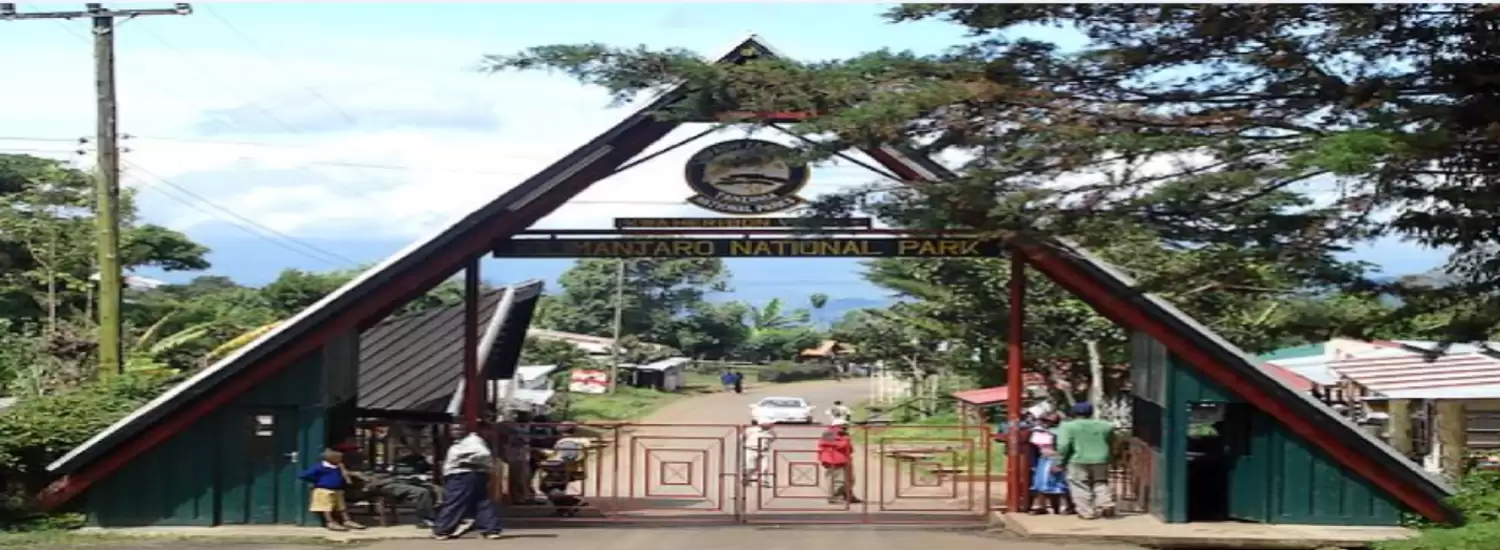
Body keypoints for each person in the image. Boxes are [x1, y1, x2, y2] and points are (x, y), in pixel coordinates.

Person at [433, 423, 503, 540]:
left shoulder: (472, 440)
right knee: (481, 502)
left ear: (466, 430)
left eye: (459, 429)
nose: (456, 432)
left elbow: (483, 453)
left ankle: (443, 529)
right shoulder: (461, 442)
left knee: (455, 501)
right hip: (473, 475)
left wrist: (466, 460)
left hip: (463, 475)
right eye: (453, 429)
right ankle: (491, 529)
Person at [1055, 402, 1116, 520]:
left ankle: (1086, 512)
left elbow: (1063, 445)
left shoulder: (1068, 426)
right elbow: (1111, 441)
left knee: (1079, 485)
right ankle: (1105, 503)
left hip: (1077, 459)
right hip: (1101, 458)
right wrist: (1111, 456)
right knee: (1101, 482)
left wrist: (1059, 461)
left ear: (1073, 413)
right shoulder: (1105, 425)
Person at [298, 449, 365, 531]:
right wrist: (316, 481)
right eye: (339, 458)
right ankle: (330, 522)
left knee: (341, 506)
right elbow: (304, 475)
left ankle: (347, 520)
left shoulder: (339, 467)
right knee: (326, 507)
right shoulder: (320, 467)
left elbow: (345, 475)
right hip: (324, 490)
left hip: (337, 489)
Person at [1028, 413, 1069, 514]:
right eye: (1044, 420)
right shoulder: (1038, 432)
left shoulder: (1060, 432)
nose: (1045, 423)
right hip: (1044, 459)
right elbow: (1034, 447)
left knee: (1060, 483)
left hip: (1056, 459)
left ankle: (1063, 506)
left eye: (1048, 421)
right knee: (1040, 482)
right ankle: (1039, 505)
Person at [817, 420, 859, 504]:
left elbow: (848, 447)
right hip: (834, 459)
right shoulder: (831, 433)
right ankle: (834, 497)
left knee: (849, 479)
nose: (847, 427)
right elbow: (839, 445)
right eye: (845, 425)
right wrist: (845, 441)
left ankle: (848, 495)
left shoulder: (841, 434)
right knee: (838, 480)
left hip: (842, 459)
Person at [743, 419, 776, 487]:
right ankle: (747, 479)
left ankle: (763, 481)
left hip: (763, 450)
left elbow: (773, 439)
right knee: (750, 467)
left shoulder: (771, 432)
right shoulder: (750, 430)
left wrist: (766, 445)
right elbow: (743, 437)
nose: (771, 425)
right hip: (751, 449)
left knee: (764, 467)